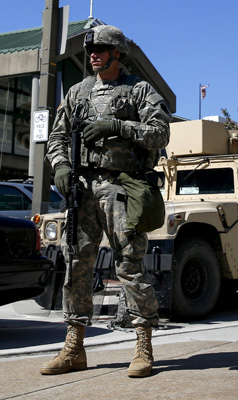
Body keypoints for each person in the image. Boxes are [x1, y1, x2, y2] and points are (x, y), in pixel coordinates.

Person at [40, 25, 172, 378]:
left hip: (123, 188)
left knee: (129, 265)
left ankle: (143, 346)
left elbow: (160, 132)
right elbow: (56, 136)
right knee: (77, 264)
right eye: (90, 50)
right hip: (83, 189)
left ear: (117, 53)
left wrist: (117, 125)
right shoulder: (78, 92)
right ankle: (74, 347)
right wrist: (62, 165)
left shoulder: (139, 90)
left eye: (100, 49)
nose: (93, 54)